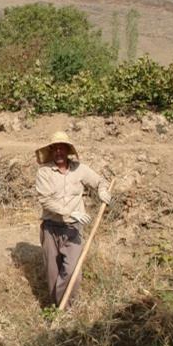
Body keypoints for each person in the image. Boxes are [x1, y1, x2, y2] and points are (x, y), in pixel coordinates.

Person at [34, 131, 110, 307]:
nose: (59, 152)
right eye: (55, 149)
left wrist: (102, 191)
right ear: (51, 151)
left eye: (62, 148)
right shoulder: (44, 172)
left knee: (72, 272)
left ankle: (65, 311)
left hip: (73, 229)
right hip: (50, 228)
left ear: (68, 150)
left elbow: (100, 181)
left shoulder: (80, 169)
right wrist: (68, 212)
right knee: (52, 273)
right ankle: (55, 308)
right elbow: (45, 200)